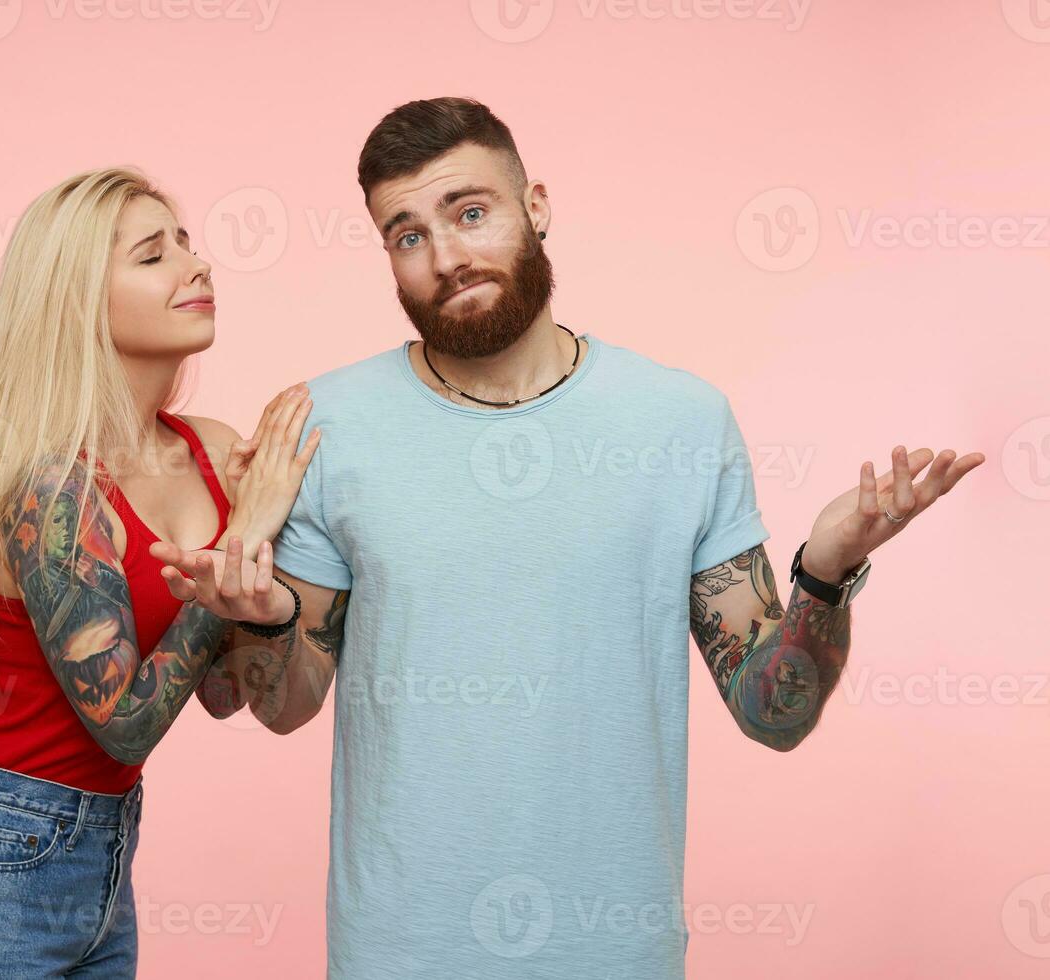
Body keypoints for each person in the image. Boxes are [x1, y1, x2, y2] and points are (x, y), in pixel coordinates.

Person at [151, 97, 985, 977]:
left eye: (471, 212)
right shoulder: (327, 424)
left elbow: (771, 713)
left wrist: (826, 569)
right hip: (400, 950)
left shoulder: (680, 420)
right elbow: (285, 707)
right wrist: (270, 613)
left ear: (536, 206)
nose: (446, 257)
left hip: (614, 952)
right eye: (407, 235)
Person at [0, 167, 319, 979]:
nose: (197, 265)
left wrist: (275, 585)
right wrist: (239, 543)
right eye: (154, 254)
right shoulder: (55, 489)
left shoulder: (214, 451)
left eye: (186, 243)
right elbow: (123, 724)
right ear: (79, 303)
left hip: (103, 859)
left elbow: (226, 696)